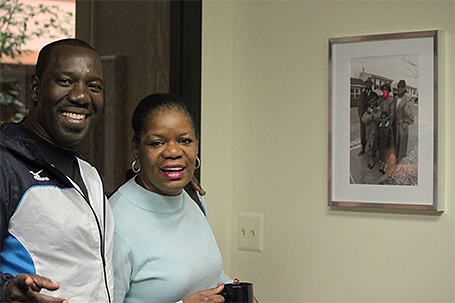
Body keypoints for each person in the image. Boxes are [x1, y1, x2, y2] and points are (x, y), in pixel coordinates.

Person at [110, 94, 256, 303]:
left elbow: (209, 275)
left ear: (196, 145)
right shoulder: (117, 222)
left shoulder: (192, 196)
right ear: (136, 149)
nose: (173, 152)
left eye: (184, 141)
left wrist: (233, 290)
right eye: (157, 143)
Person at [0, 38, 114, 302]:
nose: (81, 96)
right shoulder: (6, 166)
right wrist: (7, 292)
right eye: (65, 81)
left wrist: (171, 182)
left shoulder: (88, 173)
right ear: (36, 87)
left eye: (94, 86)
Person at [394, 79, 414, 164]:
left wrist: (405, 123)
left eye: (402, 88)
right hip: (395, 124)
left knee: (402, 143)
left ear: (405, 88)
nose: (400, 90)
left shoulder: (407, 100)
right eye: (399, 88)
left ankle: (399, 161)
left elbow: (409, 114)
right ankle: (396, 158)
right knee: (395, 143)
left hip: (402, 125)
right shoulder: (395, 98)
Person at [357, 78, 378, 156]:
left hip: (371, 116)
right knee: (363, 132)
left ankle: (372, 149)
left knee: (371, 133)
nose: (368, 85)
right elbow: (359, 106)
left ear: (372, 85)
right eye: (367, 84)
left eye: (370, 84)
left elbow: (376, 106)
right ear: (365, 85)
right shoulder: (362, 95)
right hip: (364, 117)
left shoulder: (374, 95)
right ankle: (363, 148)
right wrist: (360, 115)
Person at [361, 97, 380, 169]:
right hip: (368, 131)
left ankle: (373, 158)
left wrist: (374, 115)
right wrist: (370, 116)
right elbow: (364, 120)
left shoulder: (377, 111)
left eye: (373, 102)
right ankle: (370, 158)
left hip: (374, 131)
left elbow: (378, 119)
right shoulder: (367, 111)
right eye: (370, 103)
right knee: (369, 144)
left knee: (374, 144)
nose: (372, 104)